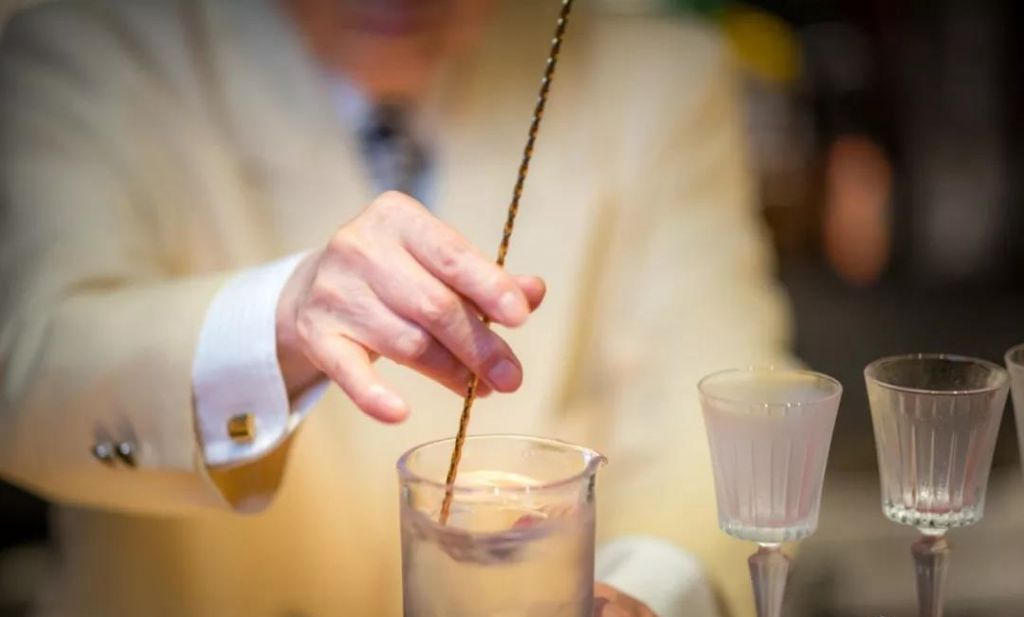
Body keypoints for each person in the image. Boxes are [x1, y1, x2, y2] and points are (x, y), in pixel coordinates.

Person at [0, 1, 790, 615]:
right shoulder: (87, 52)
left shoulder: (657, 80)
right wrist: (279, 317)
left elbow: (726, 409)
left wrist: (641, 591)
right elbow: (28, 373)